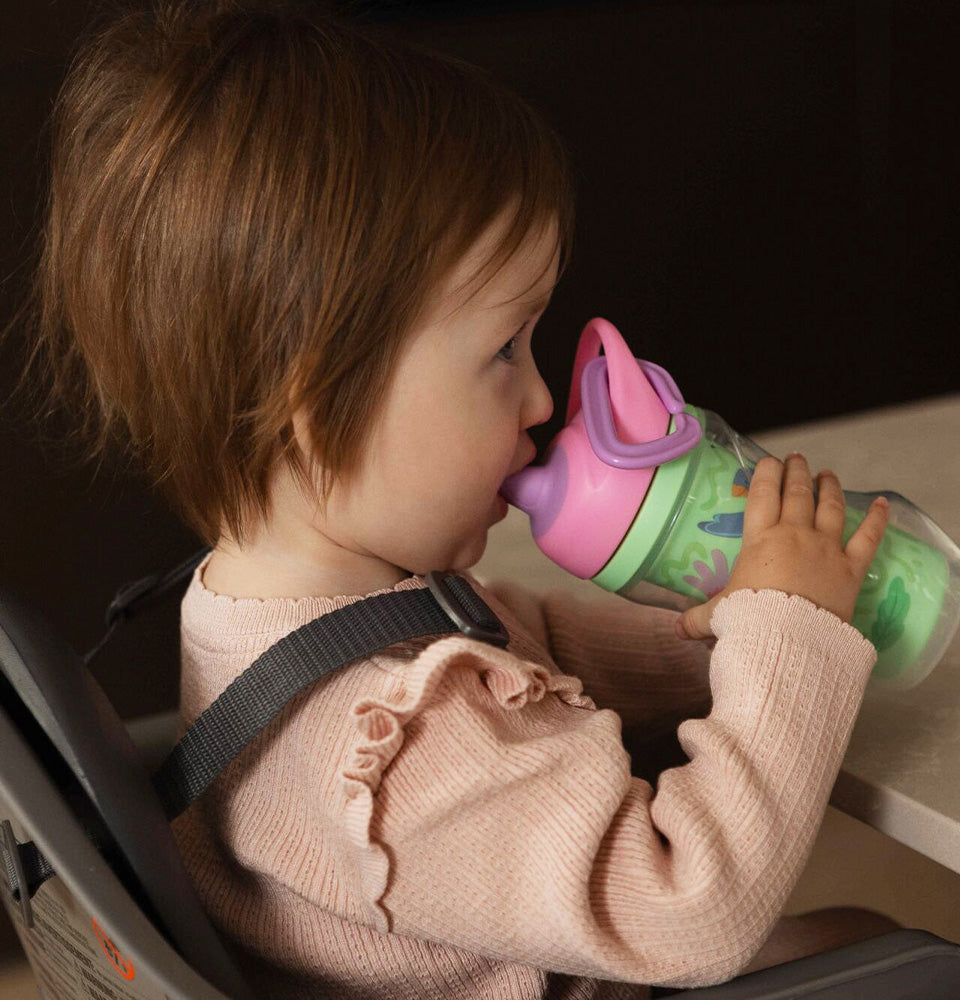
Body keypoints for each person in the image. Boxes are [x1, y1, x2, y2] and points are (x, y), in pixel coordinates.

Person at [10, 0, 899, 995]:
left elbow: (524, 646)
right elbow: (690, 909)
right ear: (316, 399)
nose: (540, 393)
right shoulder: (394, 751)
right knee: (885, 952)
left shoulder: (275, 606)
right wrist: (790, 642)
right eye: (503, 351)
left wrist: (720, 640)